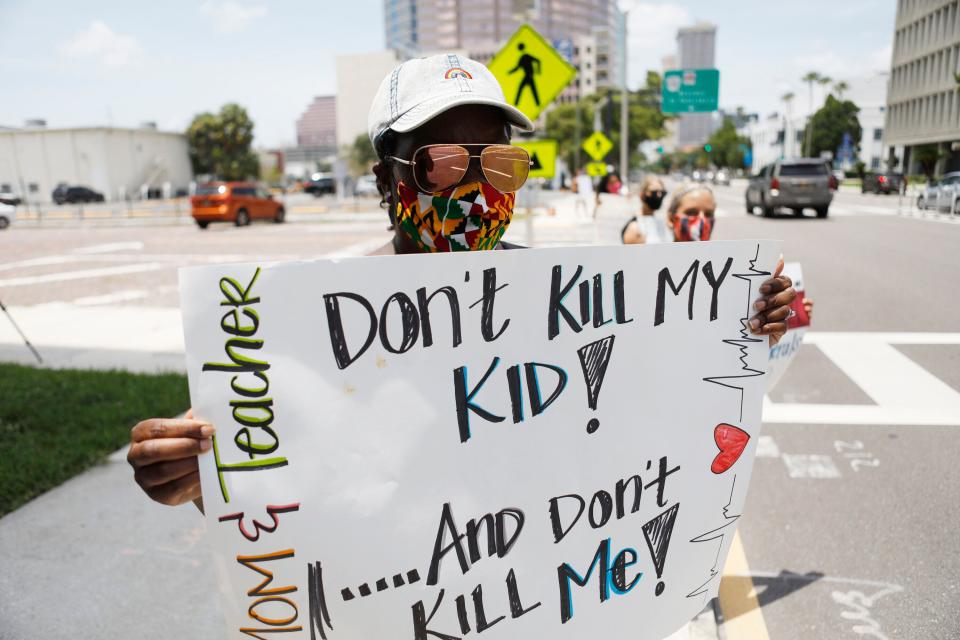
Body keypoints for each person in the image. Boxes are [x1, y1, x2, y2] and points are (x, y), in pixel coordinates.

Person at [127, 54, 797, 510]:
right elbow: (278, 498)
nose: (477, 189)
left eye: (501, 165)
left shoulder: (572, 302)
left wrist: (746, 326)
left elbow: (663, 390)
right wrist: (201, 476)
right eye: (442, 164)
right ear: (387, 181)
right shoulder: (305, 330)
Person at [622, 174, 669, 244]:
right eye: (654, 192)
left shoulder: (661, 223)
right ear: (642, 195)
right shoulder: (635, 227)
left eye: (662, 192)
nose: (659, 196)